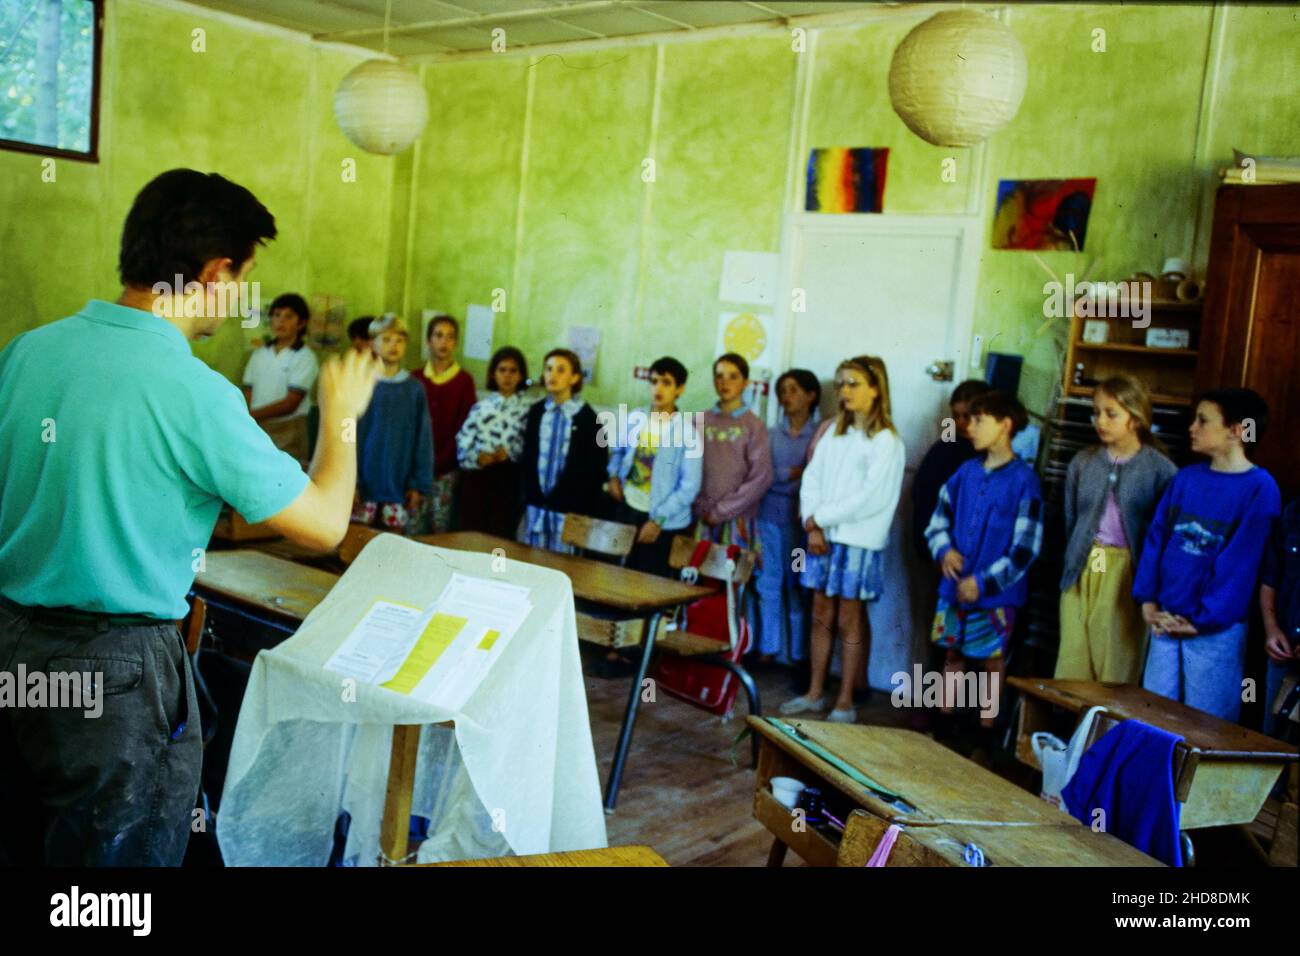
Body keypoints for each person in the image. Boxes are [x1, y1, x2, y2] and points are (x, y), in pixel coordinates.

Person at [0, 169, 378, 866]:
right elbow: (326, 525)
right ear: (215, 271)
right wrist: (344, 419)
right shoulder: (193, 391)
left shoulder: (29, 351)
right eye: (243, 282)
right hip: (115, 671)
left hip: (14, 644)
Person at [1134, 388, 1281, 722]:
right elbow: (1156, 540)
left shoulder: (1260, 488)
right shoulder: (1186, 478)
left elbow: (1240, 567)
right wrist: (1148, 601)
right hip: (1165, 621)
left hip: (1213, 632)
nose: (1192, 428)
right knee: (1153, 718)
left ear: (1238, 430)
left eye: (1203, 420)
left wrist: (1202, 619)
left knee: (1206, 724)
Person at [781, 356, 905, 724]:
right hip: (822, 537)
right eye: (840, 384)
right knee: (821, 613)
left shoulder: (886, 441)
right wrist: (812, 524)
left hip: (858, 541)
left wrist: (822, 519)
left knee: (849, 619)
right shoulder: (833, 432)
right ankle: (815, 692)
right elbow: (813, 479)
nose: (844, 392)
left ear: (875, 389)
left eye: (853, 384)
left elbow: (871, 497)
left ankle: (845, 699)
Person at [924, 390, 1043, 740]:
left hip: (994, 596)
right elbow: (937, 520)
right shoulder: (965, 471)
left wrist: (984, 582)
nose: (970, 427)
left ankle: (984, 734)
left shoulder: (1024, 480)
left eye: (979, 421)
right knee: (952, 655)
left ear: (1005, 425)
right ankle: (943, 728)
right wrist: (944, 550)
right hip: (953, 588)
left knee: (991, 663)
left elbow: (1026, 547)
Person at [1055, 375, 1177, 683]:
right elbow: (1070, 519)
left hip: (1126, 570)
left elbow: (1164, 535)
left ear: (1135, 418)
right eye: (1096, 412)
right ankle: (1073, 726)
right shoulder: (1083, 462)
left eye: (1111, 413)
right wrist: (1073, 559)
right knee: (1075, 653)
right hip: (1085, 561)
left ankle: (1108, 727)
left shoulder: (1160, 469)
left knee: (1115, 655)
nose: (1100, 421)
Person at [605, 356, 702, 577]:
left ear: (680, 389)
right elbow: (618, 452)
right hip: (628, 508)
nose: (658, 388)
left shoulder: (687, 432)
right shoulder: (636, 418)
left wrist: (658, 521)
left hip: (662, 521)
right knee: (615, 576)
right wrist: (613, 478)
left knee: (646, 581)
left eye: (666, 382)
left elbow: (689, 486)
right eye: (654, 381)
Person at [752, 368, 820, 666]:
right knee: (767, 582)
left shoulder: (818, 435)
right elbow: (762, 475)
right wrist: (794, 473)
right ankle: (767, 649)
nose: (786, 397)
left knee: (797, 586)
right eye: (782, 391)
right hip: (767, 517)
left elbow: (817, 478)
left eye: (793, 390)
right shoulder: (769, 434)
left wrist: (798, 475)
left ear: (811, 395)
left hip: (799, 523)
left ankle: (798, 656)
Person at [351, 314, 434, 533]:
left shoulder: (414, 389)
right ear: (372, 343)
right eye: (386, 339)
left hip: (399, 488)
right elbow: (348, 436)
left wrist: (418, 484)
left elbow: (423, 440)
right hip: (361, 487)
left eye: (399, 340)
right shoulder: (361, 382)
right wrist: (351, 482)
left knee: (392, 546)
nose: (393, 346)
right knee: (356, 543)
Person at [518, 349, 606, 553]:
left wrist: (585, 511)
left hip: (568, 514)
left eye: (560, 370)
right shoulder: (536, 412)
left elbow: (596, 469)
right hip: (536, 509)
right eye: (548, 369)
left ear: (574, 378)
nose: (552, 375)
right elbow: (528, 460)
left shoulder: (588, 418)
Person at [694, 352, 773, 550]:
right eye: (719, 376)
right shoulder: (698, 420)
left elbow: (761, 478)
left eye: (733, 376)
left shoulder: (754, 425)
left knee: (730, 577)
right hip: (699, 516)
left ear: (745, 382)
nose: (725, 382)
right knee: (691, 575)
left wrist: (722, 511)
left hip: (736, 519)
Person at [456, 346, 531, 539]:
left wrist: (510, 453)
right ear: (493, 374)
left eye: (513, 371)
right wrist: (476, 458)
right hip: (479, 478)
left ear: (521, 375)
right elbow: (463, 440)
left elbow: (530, 446)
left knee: (501, 534)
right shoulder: (481, 407)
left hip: (508, 479)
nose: (507, 376)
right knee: (472, 533)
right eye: (502, 370)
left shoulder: (528, 410)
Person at [911, 379, 991, 558]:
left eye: (967, 416)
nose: (961, 423)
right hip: (941, 541)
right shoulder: (947, 445)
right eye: (956, 416)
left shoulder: (985, 450)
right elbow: (923, 497)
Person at [412, 314, 477, 533]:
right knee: (413, 528)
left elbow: (465, 427)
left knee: (441, 528)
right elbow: (410, 428)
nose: (444, 342)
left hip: (447, 470)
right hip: (416, 469)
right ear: (428, 340)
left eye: (450, 337)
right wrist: (420, 463)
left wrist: (440, 462)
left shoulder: (464, 381)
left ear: (456, 343)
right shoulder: (415, 378)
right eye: (438, 335)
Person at [241, 292, 319, 465]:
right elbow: (248, 390)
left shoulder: (305, 357)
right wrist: (248, 419)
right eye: (277, 315)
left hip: (289, 430)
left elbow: (290, 404)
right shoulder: (259, 353)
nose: (281, 321)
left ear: (302, 323)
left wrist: (250, 416)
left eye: (289, 316)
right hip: (257, 427)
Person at [1261, 498, 1300, 740]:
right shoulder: (1293, 512)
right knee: (1270, 739)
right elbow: (1270, 579)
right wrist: (1271, 628)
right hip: (1282, 650)